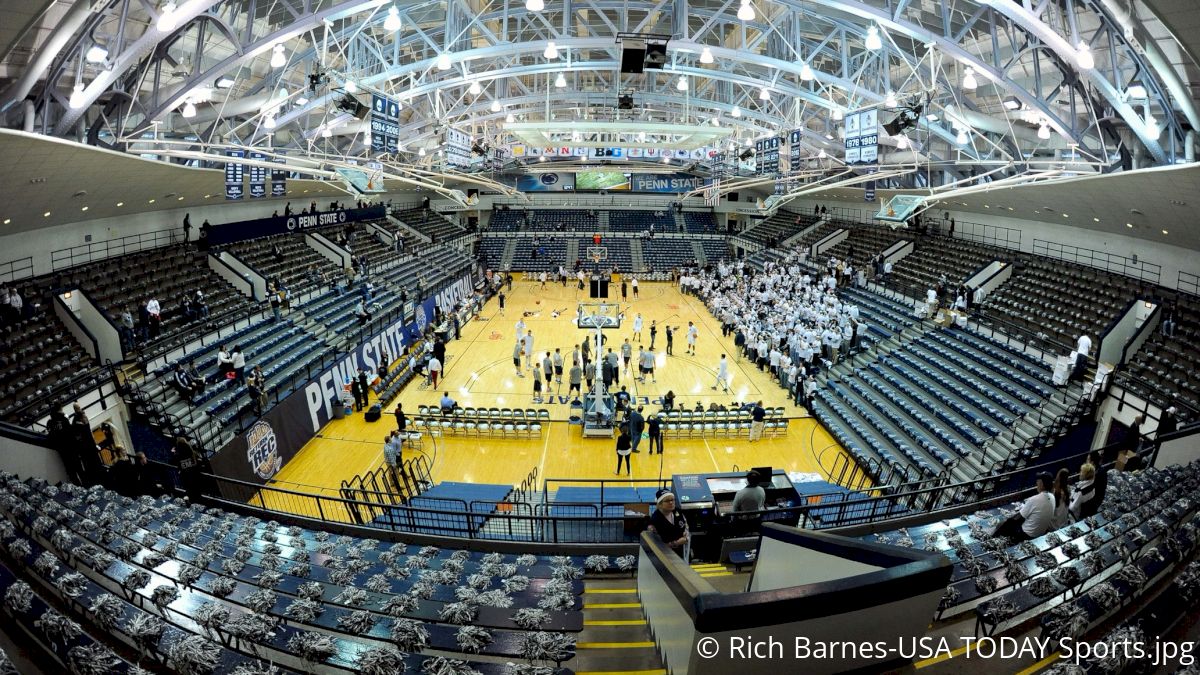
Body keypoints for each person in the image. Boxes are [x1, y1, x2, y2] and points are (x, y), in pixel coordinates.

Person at [994, 472, 1055, 542]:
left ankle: (993, 539)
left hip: (1027, 535)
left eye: (1038, 481)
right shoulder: (1052, 497)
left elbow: (1017, 517)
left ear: (1042, 484)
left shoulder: (1034, 499)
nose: (1036, 483)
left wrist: (1008, 517)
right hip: (1040, 533)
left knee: (1004, 523)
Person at [649, 489, 689, 557]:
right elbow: (657, 545)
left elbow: (685, 526)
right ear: (660, 504)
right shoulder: (655, 520)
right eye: (667, 501)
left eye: (672, 500)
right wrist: (677, 543)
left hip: (681, 553)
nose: (671, 502)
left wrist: (686, 534)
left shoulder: (678, 512)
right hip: (665, 556)